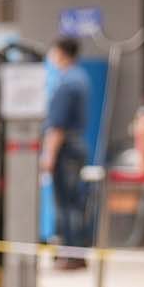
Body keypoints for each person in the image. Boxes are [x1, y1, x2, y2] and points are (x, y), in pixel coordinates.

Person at [44, 35, 94, 269]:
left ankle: (70, 254)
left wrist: (49, 155)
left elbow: (57, 126)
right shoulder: (81, 78)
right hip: (77, 146)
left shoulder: (65, 83)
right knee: (75, 202)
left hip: (65, 149)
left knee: (65, 203)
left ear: (61, 52)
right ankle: (76, 252)